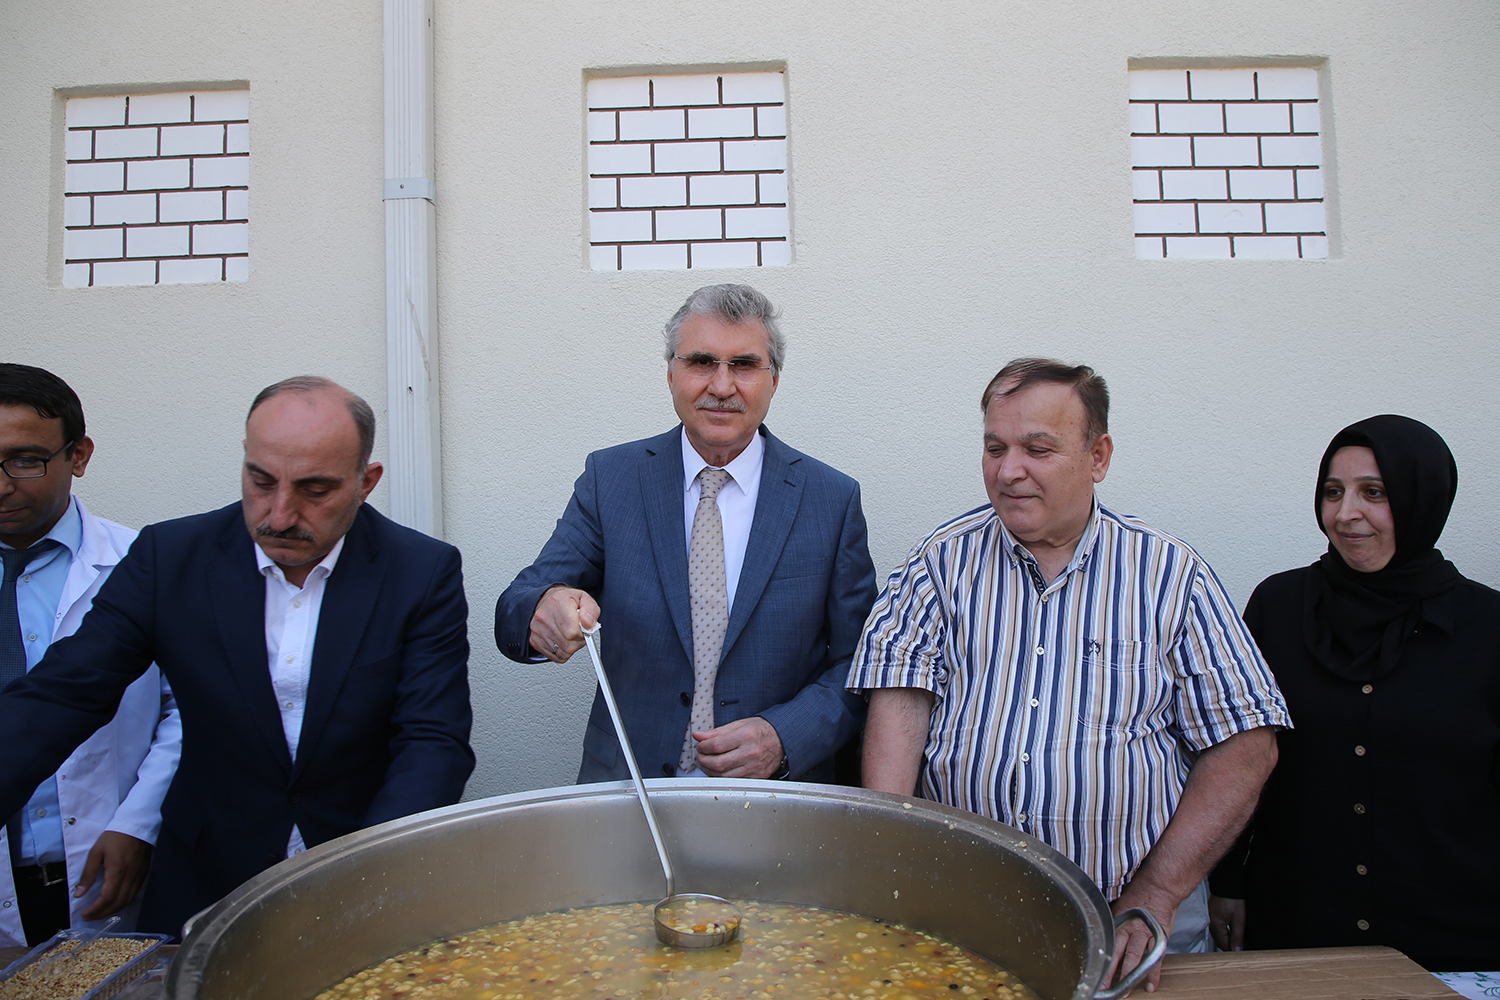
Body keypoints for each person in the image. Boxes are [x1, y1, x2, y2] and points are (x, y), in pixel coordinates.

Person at [849, 358, 1291, 991]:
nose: (1008, 471)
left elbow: (1248, 743)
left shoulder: (1169, 574)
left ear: (1098, 456)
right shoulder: (939, 564)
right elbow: (900, 704)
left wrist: (1157, 893)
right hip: (967, 916)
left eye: (1038, 449)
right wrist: (898, 867)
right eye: (995, 448)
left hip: (1129, 924)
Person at [0, 376, 474, 936]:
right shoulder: (169, 558)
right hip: (206, 875)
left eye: (315, 490)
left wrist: (366, 873)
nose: (279, 514)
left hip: (365, 867)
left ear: (365, 481)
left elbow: (432, 741)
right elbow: (64, 692)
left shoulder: (420, 571)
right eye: (260, 481)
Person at [496, 284, 876, 783]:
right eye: (701, 362)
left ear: (774, 380)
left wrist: (785, 736)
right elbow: (518, 602)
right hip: (630, 795)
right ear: (671, 373)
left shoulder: (831, 499)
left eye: (743, 365)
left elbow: (862, 667)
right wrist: (541, 608)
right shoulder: (612, 480)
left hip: (776, 806)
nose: (721, 386)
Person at [1208, 415, 1500, 972]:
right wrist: (1228, 882)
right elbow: (1241, 755)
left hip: (1453, 939)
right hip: (1295, 926)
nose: (1346, 515)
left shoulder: (1488, 628)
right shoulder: (1280, 606)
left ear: (1424, 498)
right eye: (1333, 492)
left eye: (1376, 493)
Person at [0, 364, 181, 947]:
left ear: (78, 455)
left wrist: (138, 823)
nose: (2, 483)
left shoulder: (144, 564)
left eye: (25, 460)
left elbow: (190, 707)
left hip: (109, 860)